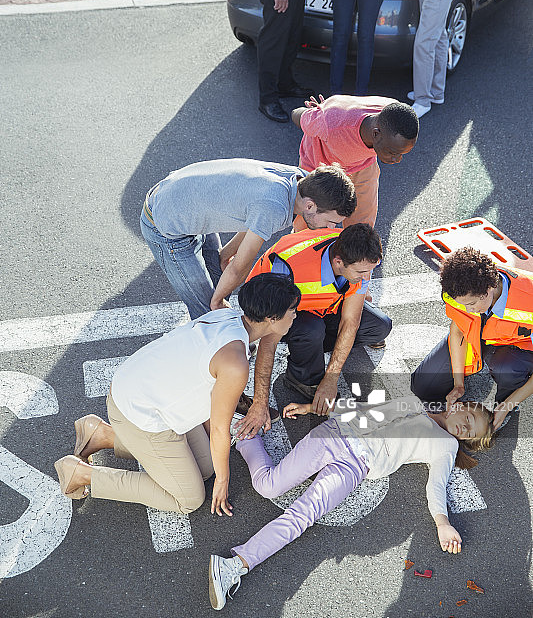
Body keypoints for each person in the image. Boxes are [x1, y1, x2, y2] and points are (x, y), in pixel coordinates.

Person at [208, 395, 494, 609]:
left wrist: (442, 523)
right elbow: (366, 412)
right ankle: (244, 432)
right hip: (336, 435)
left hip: (355, 468)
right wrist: (313, 408)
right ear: (460, 406)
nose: (464, 428)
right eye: (468, 418)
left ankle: (236, 565)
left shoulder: (447, 445)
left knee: (303, 516)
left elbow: (437, 484)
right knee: (267, 486)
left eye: (470, 433)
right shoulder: (413, 403)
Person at [53, 274, 301, 519]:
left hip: (138, 392)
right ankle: (81, 474)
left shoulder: (229, 316)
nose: (296, 315)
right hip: (141, 415)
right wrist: (224, 481)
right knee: (189, 498)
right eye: (292, 310)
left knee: (204, 469)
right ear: (271, 318)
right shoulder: (235, 364)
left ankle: (102, 435)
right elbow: (217, 428)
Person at [141, 159, 355, 426]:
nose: (333, 230)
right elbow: (241, 267)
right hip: (165, 225)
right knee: (208, 315)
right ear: (310, 206)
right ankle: (225, 392)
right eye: (332, 221)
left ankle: (226, 359)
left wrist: (225, 254)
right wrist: (218, 300)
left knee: (219, 292)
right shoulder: (276, 207)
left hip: (182, 201)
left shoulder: (300, 181)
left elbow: (253, 222)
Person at [238, 224, 391, 436]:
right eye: (361, 272)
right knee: (311, 329)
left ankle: (313, 348)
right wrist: (260, 402)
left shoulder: (355, 254)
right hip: (284, 314)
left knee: (379, 326)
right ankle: (300, 377)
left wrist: (331, 379)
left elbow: (350, 322)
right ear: (339, 262)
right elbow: (268, 341)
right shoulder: (287, 268)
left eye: (372, 269)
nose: (367, 277)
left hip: (324, 306)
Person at [411, 247, 533, 430]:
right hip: (481, 335)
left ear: (489, 288)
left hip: (516, 345)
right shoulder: (459, 291)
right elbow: (459, 330)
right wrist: (458, 383)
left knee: (506, 368)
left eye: (472, 303)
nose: (469, 310)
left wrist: (508, 405)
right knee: (423, 387)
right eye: (464, 305)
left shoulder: (529, 300)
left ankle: (504, 405)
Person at [292, 96, 418, 227]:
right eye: (393, 152)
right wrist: (315, 113)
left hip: (362, 164)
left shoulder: (394, 114)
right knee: (309, 223)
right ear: (375, 134)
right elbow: (296, 114)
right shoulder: (330, 124)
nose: (397, 160)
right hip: (318, 167)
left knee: (361, 226)